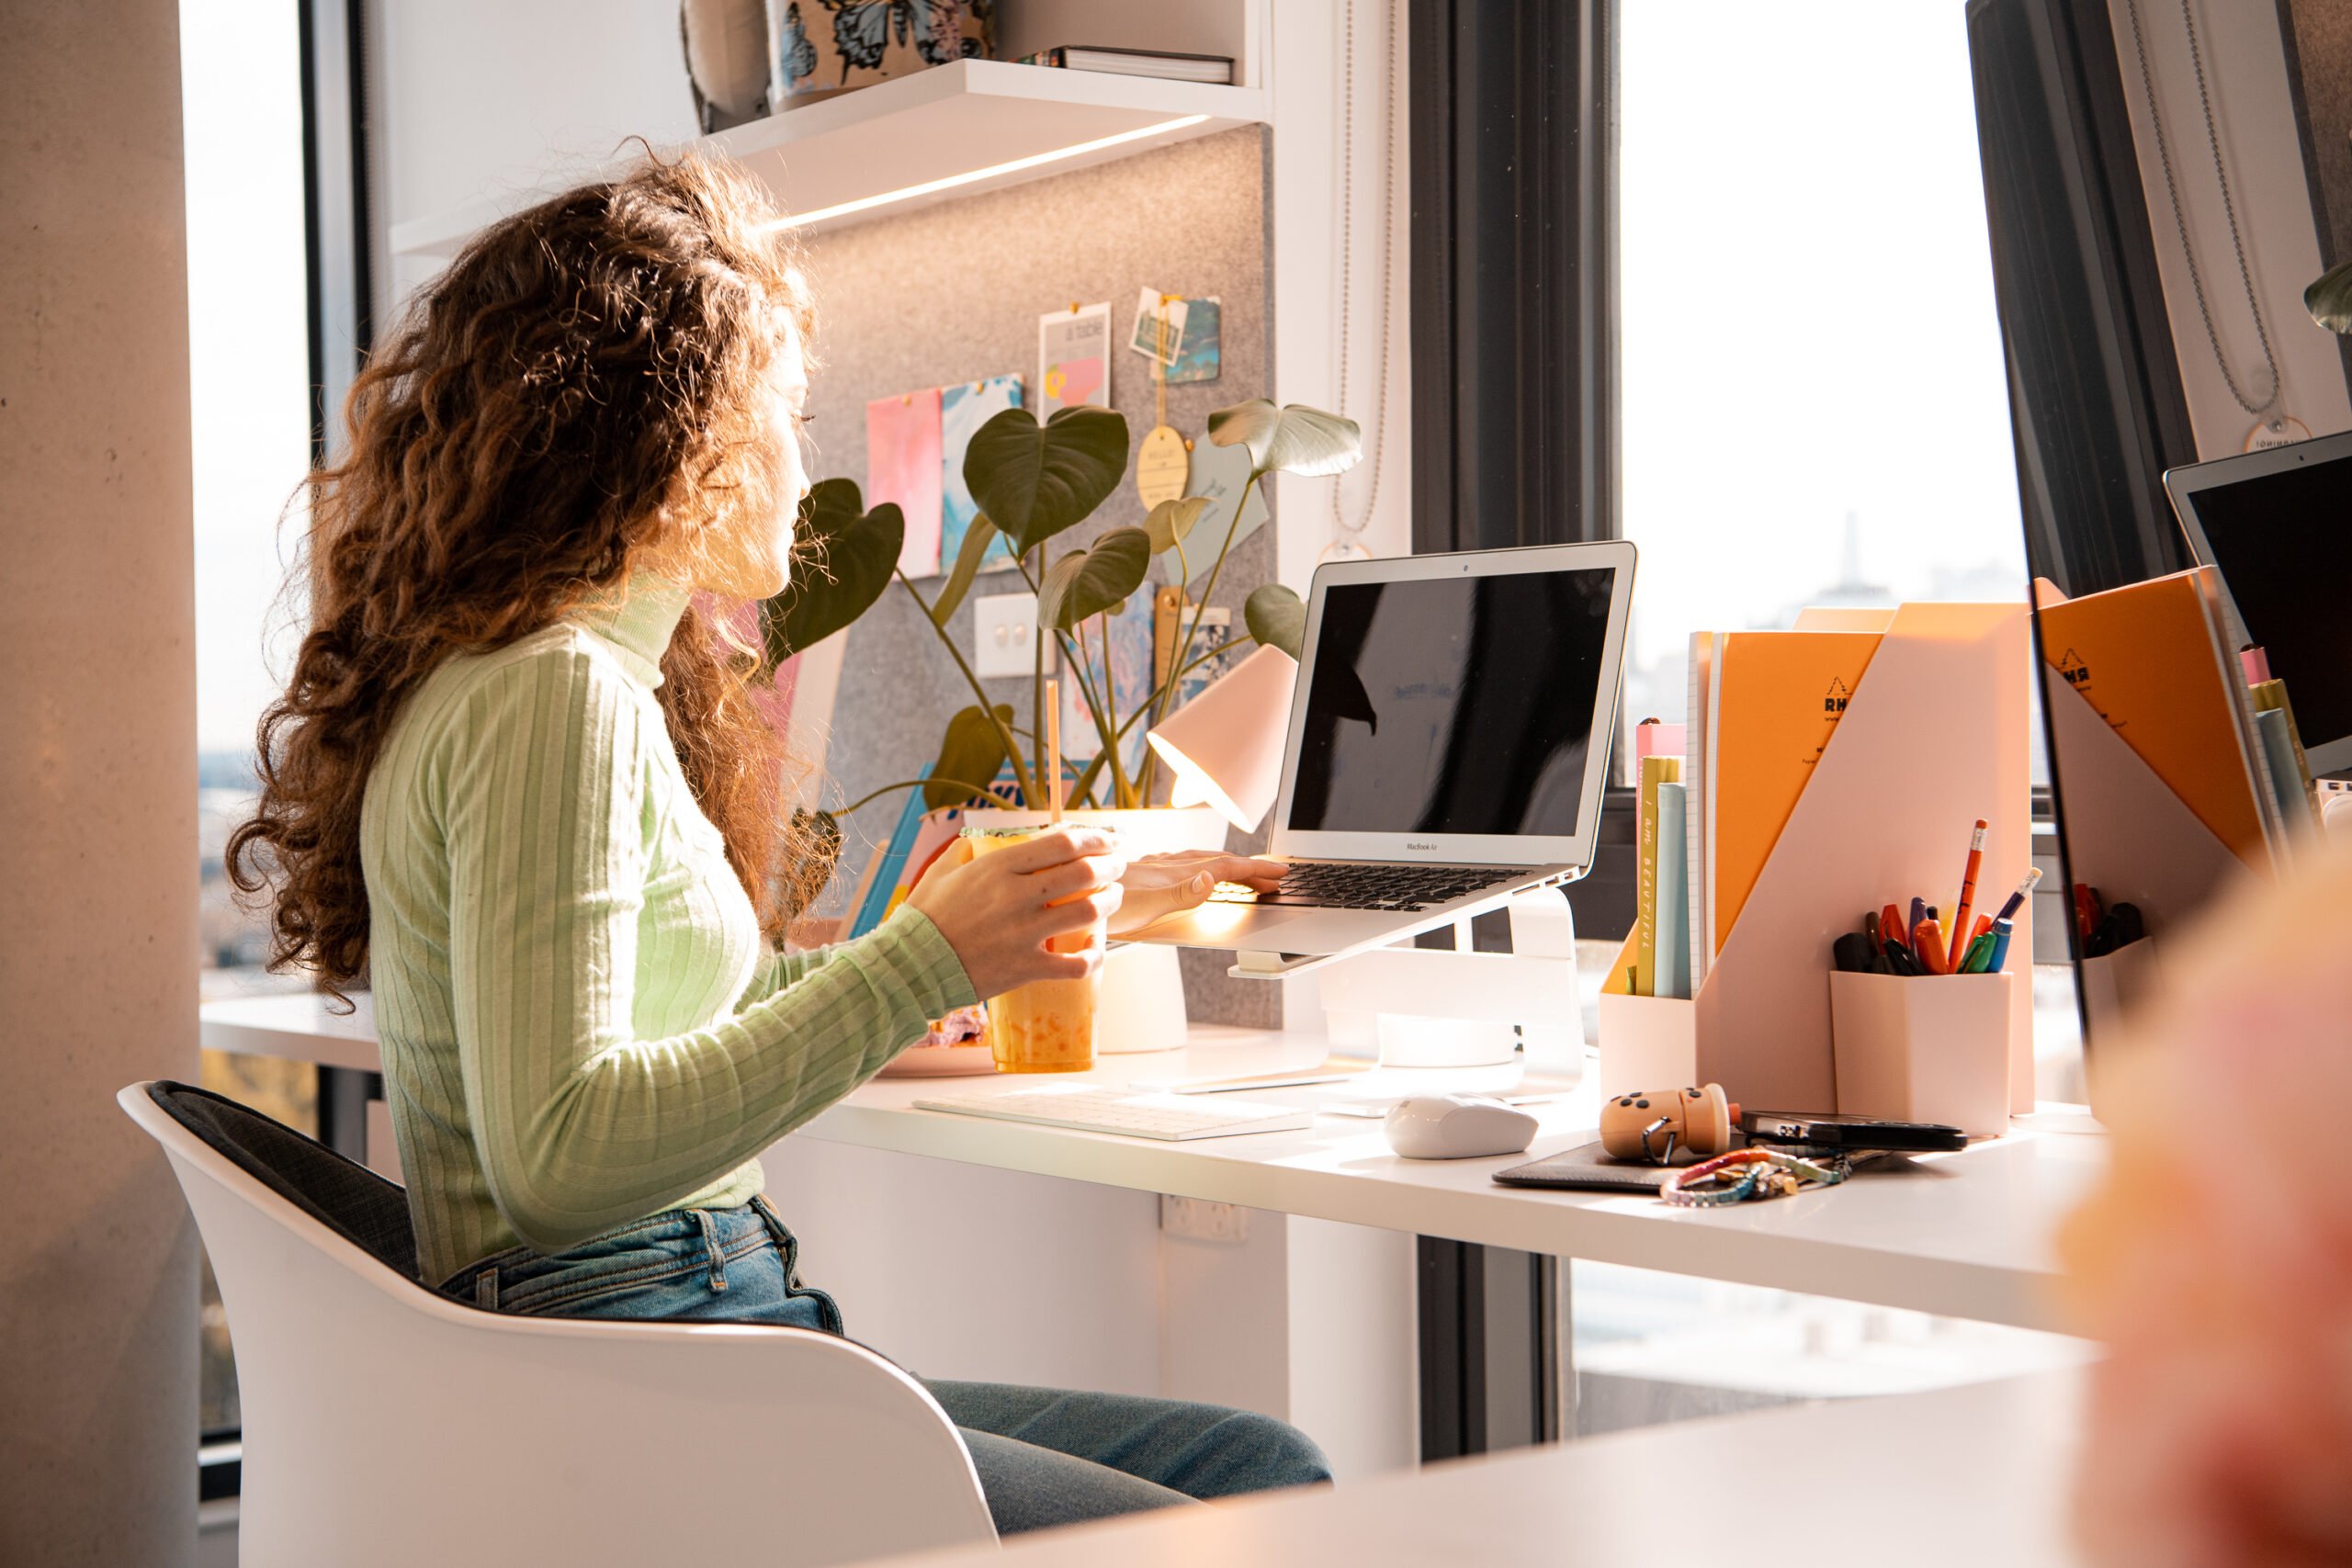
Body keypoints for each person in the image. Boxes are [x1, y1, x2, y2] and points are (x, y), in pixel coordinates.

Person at [228, 153, 1329, 1535]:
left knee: (1242, 1459)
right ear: (672, 435)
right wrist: (919, 967)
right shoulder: (553, 696)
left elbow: (689, 1021)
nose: (808, 472)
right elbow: (559, 1156)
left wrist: (975, 936)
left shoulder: (531, 684)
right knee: (1265, 1491)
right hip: (648, 1366)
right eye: (784, 417)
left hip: (653, 1337)